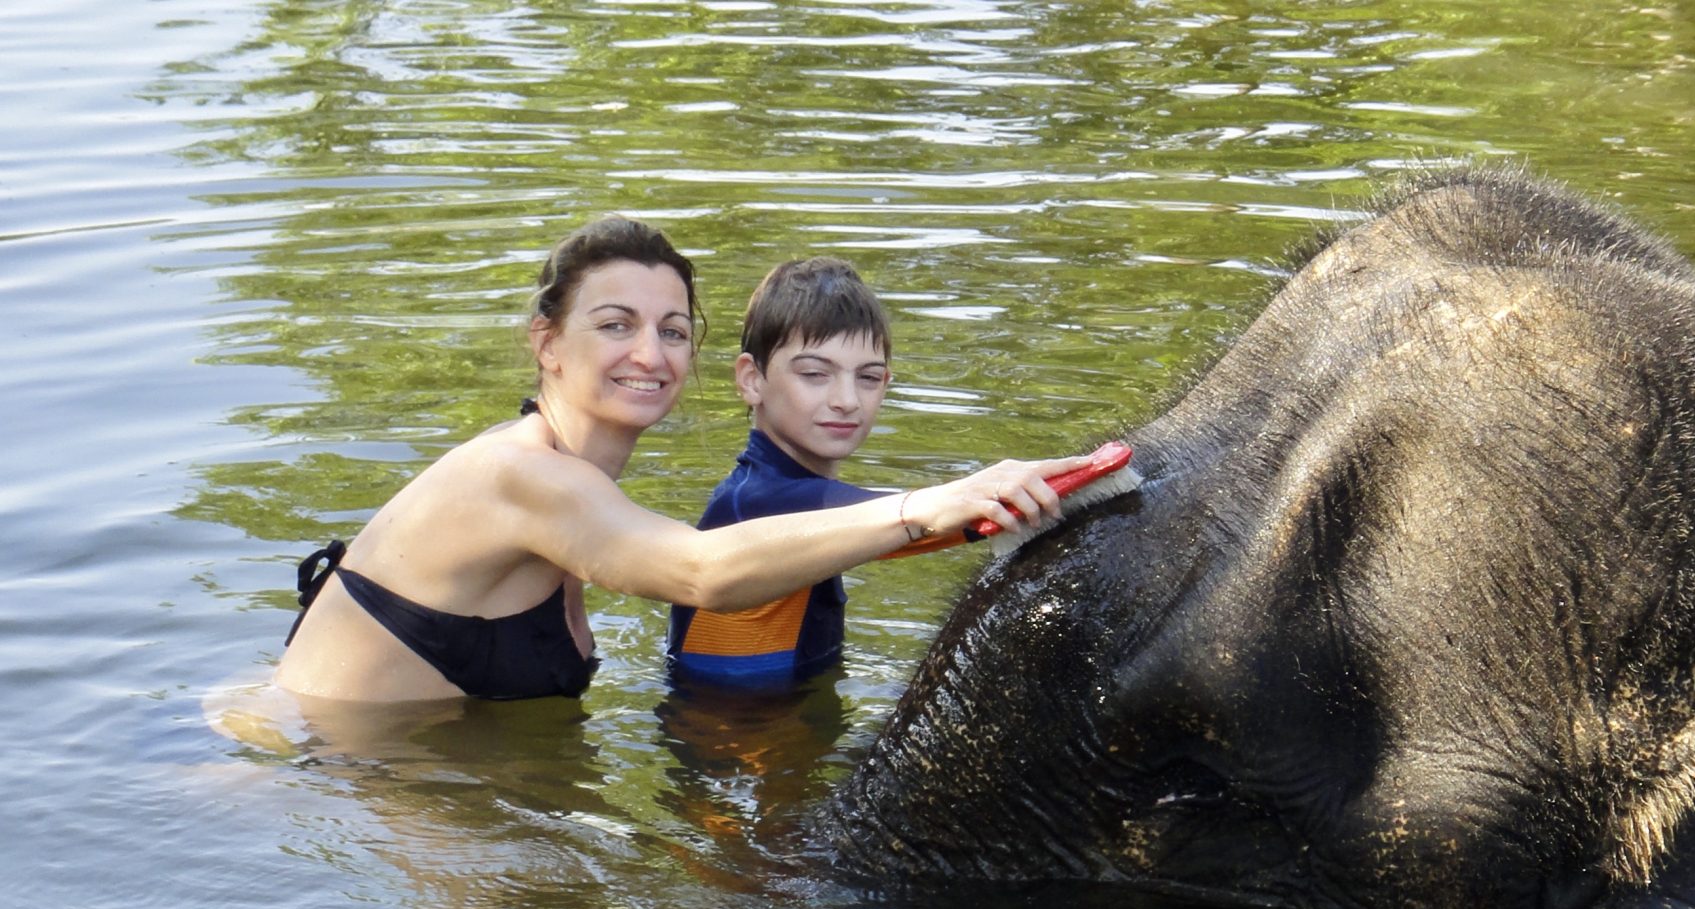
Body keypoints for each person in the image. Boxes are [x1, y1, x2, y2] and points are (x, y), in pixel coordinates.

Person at [273, 215, 1088, 703]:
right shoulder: (516, 475)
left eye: (671, 330)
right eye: (616, 324)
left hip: (382, 777)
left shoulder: (576, 485)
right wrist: (927, 503)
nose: (650, 352)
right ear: (548, 344)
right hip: (304, 778)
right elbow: (700, 572)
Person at [666, 256, 900, 687]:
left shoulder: (790, 492)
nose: (847, 399)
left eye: (867, 378)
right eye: (815, 374)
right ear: (751, 380)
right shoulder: (758, 501)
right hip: (736, 735)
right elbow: (920, 520)